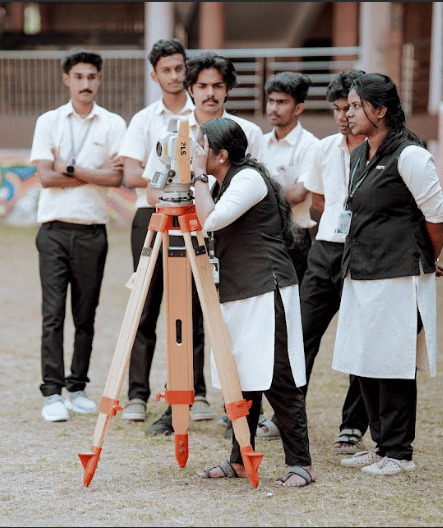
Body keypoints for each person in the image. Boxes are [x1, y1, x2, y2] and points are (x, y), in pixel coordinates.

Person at [142, 51, 264, 436]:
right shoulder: (174, 131)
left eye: (217, 86)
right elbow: (150, 190)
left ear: (228, 90)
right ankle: (180, 403)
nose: (210, 93)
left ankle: (239, 408)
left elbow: (257, 188)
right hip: (183, 238)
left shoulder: (248, 132)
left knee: (235, 326)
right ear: (190, 88)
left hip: (232, 242)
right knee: (181, 321)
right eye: (202, 86)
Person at [333, 73, 443, 475]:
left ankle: (399, 453)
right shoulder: (357, 154)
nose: (347, 114)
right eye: (346, 106)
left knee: (394, 362)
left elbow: (437, 217)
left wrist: (425, 259)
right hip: (359, 270)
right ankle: (381, 444)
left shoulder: (411, 155)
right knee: (363, 358)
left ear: (380, 110)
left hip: (397, 274)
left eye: (355, 106)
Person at [191, 118, 315, 487]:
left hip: (267, 289)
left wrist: (197, 175)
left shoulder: (247, 179)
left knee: (279, 377)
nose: (196, 152)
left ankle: (302, 464)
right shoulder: (225, 180)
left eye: (202, 146)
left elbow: (209, 220)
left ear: (222, 154)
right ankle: (241, 459)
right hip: (240, 290)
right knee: (242, 376)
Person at [117, 38, 211, 426]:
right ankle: (137, 395)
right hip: (151, 216)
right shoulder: (143, 119)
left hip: (194, 216)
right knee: (145, 304)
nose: (175, 76)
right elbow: (129, 174)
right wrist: (168, 177)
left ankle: (197, 392)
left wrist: (167, 175)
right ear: (154, 75)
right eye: (167, 70)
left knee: (195, 305)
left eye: (179, 68)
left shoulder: (203, 114)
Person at [30, 49, 126, 422]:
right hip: (53, 231)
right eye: (79, 76)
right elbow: (45, 177)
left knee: (85, 314)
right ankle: (52, 392)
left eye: (92, 77)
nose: (86, 83)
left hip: (91, 233)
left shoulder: (112, 124)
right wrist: (91, 171)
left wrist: (68, 166)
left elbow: (117, 178)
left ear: (99, 80)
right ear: (66, 79)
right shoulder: (49, 121)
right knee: (52, 314)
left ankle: (77, 387)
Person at [298, 70, 371, 454]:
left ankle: (353, 425)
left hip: (363, 252)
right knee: (302, 335)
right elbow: (319, 201)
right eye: (338, 108)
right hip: (324, 250)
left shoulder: (380, 150)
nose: (344, 115)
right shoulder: (324, 149)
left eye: (351, 107)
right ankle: (288, 415)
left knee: (359, 341)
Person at [258, 72, 320, 285]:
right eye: (271, 101)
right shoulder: (259, 142)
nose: (273, 108)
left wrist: (257, 191)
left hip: (294, 238)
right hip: (260, 235)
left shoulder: (311, 146)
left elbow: (297, 195)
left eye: (282, 102)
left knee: (293, 309)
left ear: (298, 108)